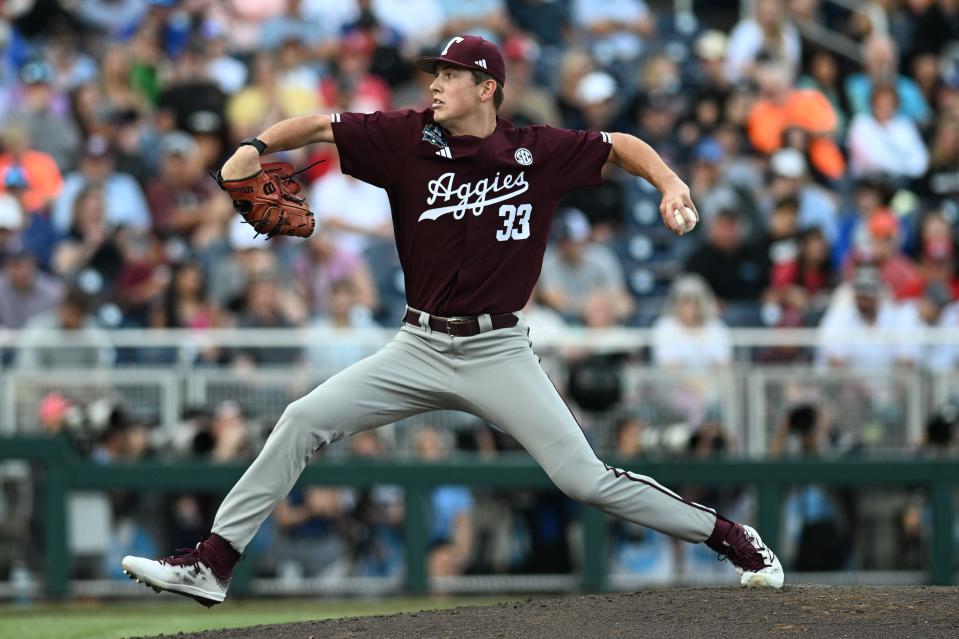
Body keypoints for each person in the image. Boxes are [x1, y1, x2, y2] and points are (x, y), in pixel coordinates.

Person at [121, 35, 783, 606]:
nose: (434, 84)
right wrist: (252, 146)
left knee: (582, 478)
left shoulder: (537, 150)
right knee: (301, 419)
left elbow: (623, 145)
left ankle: (731, 537)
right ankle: (214, 561)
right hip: (417, 344)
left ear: (485, 87)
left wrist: (669, 184)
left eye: (447, 75)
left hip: (498, 350)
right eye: (432, 75)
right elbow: (320, 124)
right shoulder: (404, 138)